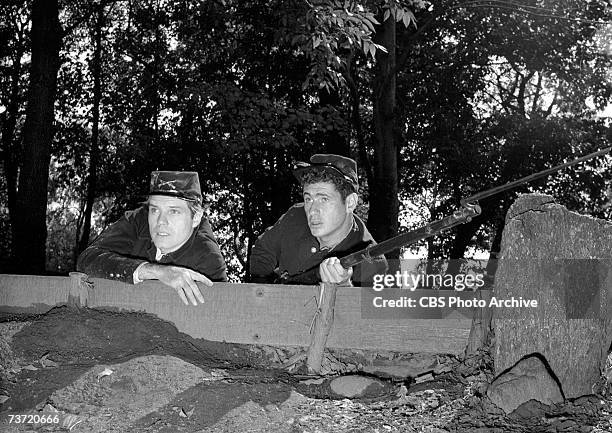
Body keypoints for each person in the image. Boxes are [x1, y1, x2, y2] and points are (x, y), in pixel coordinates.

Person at [77, 171, 227, 305]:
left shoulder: (208, 259)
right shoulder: (138, 220)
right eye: (155, 209)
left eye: (173, 211)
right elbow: (86, 261)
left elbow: (214, 319)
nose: (161, 221)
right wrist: (152, 271)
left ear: (196, 218)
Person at [249, 154, 388, 286]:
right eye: (308, 199)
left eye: (324, 199)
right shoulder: (296, 216)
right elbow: (262, 251)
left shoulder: (373, 260)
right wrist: (263, 292)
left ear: (350, 203)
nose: (312, 210)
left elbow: (369, 309)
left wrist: (345, 286)